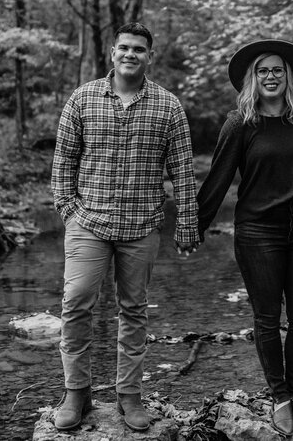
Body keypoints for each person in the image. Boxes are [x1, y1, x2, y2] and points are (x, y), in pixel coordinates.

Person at [50, 22, 200, 432]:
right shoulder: (82, 99)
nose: (131, 54)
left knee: (133, 310)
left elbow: (182, 171)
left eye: (139, 49)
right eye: (124, 48)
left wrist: (187, 224)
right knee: (76, 303)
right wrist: (67, 208)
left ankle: (128, 395)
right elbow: (64, 159)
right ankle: (75, 393)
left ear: (149, 56)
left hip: (142, 224)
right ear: (112, 52)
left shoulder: (168, 107)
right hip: (88, 222)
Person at [196, 39, 293, 437]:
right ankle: (280, 397)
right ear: (252, 78)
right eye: (263, 70)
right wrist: (192, 225)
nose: (271, 76)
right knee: (267, 318)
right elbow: (219, 179)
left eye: (277, 70)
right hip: (258, 232)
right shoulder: (240, 123)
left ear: (288, 77)